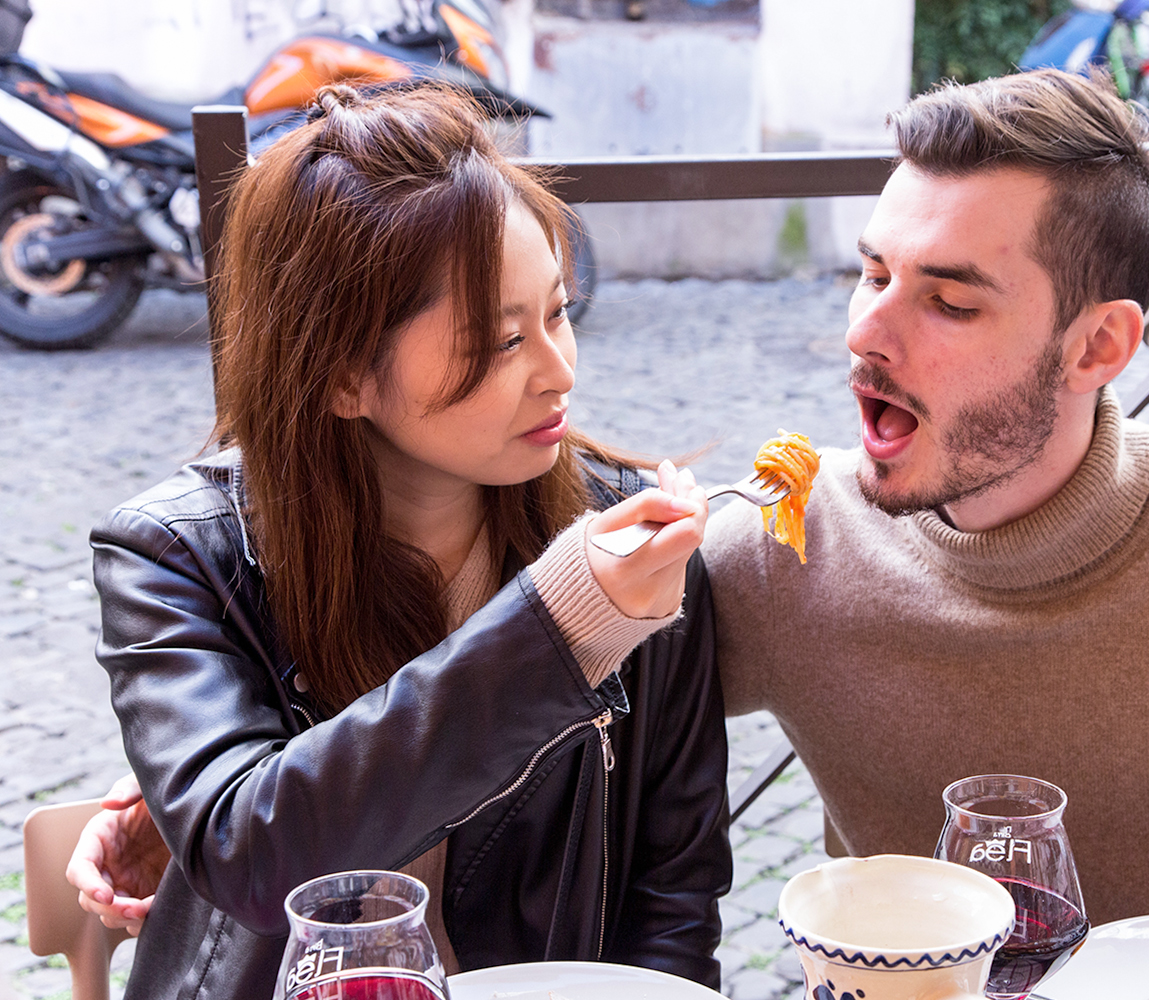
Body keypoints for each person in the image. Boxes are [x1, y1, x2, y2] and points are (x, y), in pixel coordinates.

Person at [72, 70, 1149, 998]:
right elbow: (294, 799)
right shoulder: (766, 552)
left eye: (947, 298)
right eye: (869, 269)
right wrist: (184, 810)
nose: (868, 332)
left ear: (1101, 343)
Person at [72, 82, 730, 1000]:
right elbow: (251, 854)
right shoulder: (178, 554)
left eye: (559, 310)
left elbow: (675, 895)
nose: (558, 370)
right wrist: (564, 626)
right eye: (501, 341)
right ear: (342, 374)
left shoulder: (628, 540)